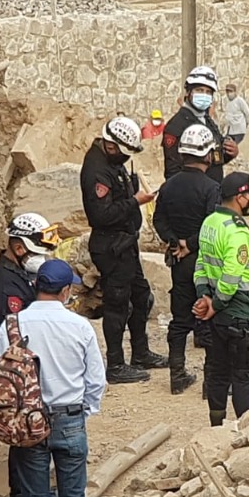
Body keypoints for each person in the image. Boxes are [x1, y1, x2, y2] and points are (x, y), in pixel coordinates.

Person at [0, 259, 105, 497]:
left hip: (28, 420)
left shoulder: (11, 326)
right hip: (70, 417)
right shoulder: (79, 326)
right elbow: (95, 379)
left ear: (36, 286)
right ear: (66, 291)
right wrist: (83, 412)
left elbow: (1, 375)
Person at [80, 115, 167, 384]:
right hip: (111, 246)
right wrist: (134, 201)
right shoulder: (97, 170)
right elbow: (100, 215)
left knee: (142, 298)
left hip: (125, 243)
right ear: (111, 145)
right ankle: (116, 365)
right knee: (117, 307)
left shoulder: (114, 163)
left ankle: (140, 352)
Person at [153, 123, 222, 394]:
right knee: (212, 318)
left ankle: (177, 374)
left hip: (179, 262)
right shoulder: (211, 188)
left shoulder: (168, 186)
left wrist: (175, 242)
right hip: (204, 262)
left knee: (180, 319)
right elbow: (211, 225)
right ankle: (212, 381)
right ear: (207, 155)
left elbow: (159, 220)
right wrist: (190, 245)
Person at [194, 172, 249, 427]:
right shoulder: (236, 230)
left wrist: (204, 295)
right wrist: (216, 304)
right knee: (245, 375)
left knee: (218, 370)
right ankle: (246, 432)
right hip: (241, 311)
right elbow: (233, 273)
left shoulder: (209, 223)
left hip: (219, 313)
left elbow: (201, 263)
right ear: (239, 197)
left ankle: (216, 427)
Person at [0, 212, 60, 332]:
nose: (42, 259)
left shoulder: (22, 269)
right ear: (19, 249)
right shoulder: (4, 283)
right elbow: (12, 332)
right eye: (38, 254)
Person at [163, 66, 238, 182]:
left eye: (208, 92)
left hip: (213, 191)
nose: (204, 95)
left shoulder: (207, 120)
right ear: (188, 92)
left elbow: (215, 157)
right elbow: (172, 172)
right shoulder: (176, 126)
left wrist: (230, 153)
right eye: (199, 90)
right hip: (193, 195)